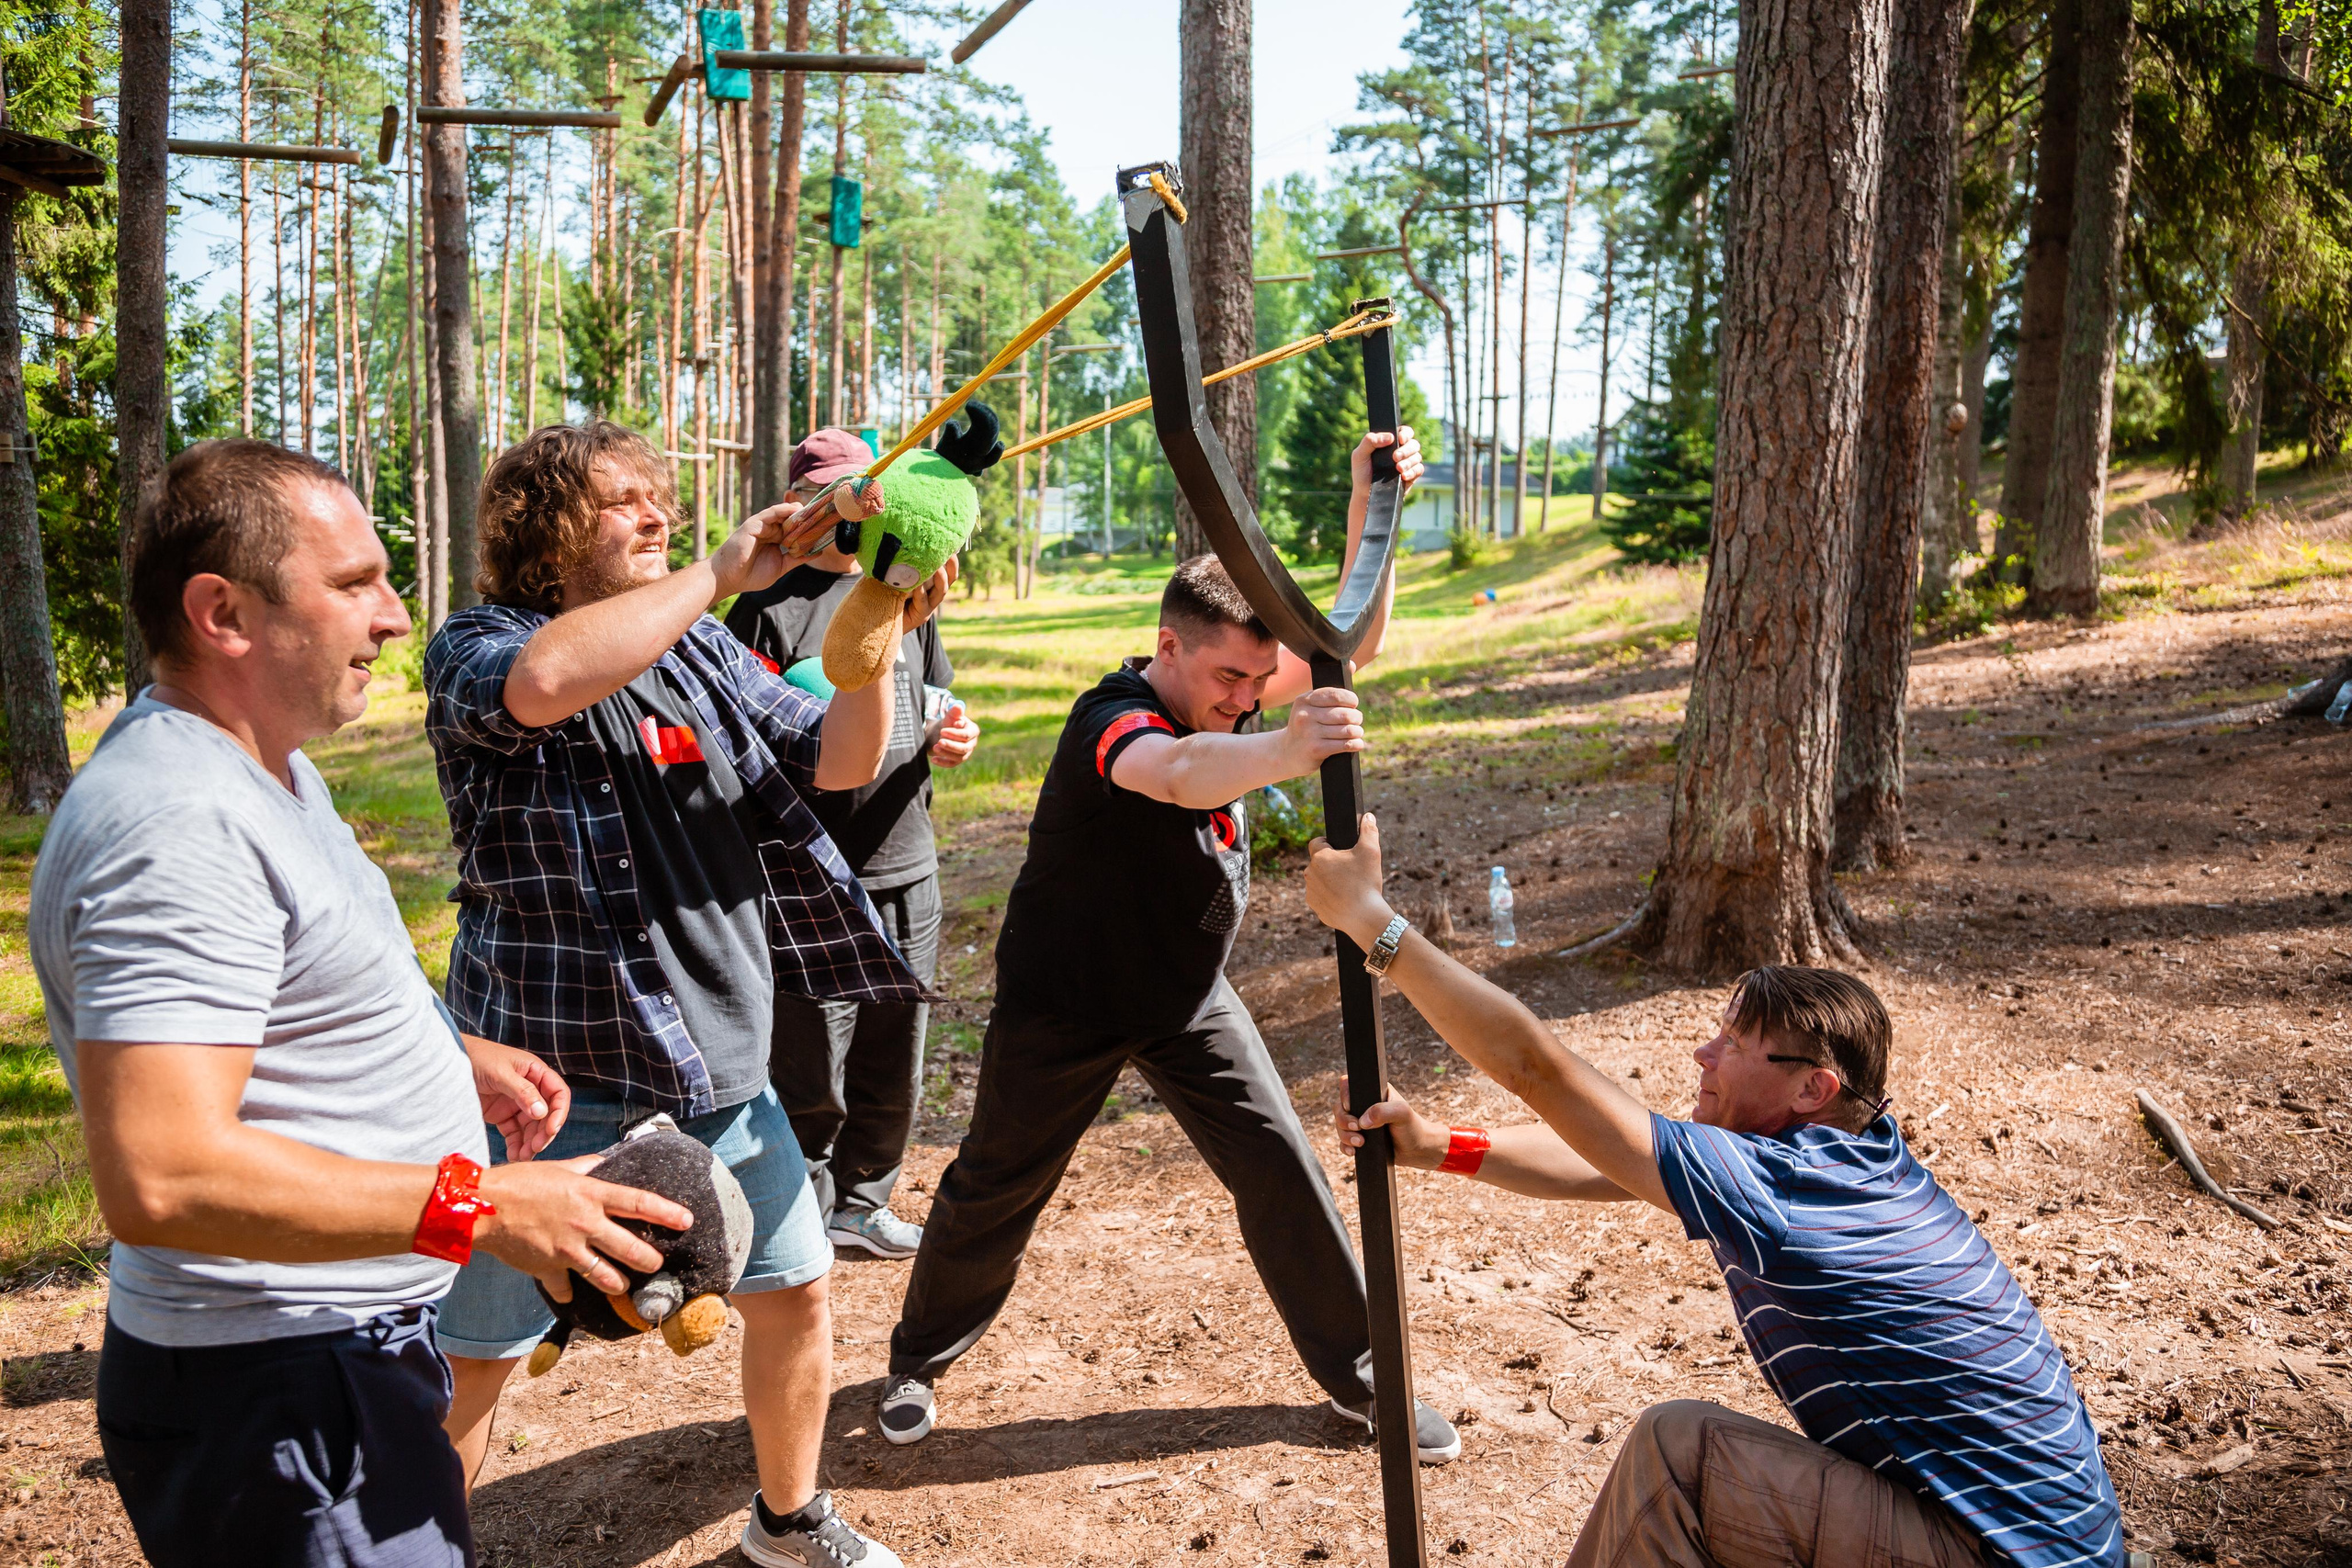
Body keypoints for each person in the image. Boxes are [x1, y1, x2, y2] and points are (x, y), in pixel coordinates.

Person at [30, 440, 693, 1568]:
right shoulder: (178, 824)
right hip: (279, 1388)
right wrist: (481, 1209)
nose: (393, 618)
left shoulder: (265, 768)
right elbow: (164, 1176)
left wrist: (448, 1052)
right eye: (353, 585)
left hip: (328, 1360)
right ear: (223, 613)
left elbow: (274, 999)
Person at [1304, 818, 2132, 1568]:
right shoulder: (1847, 1161)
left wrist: (1375, 924)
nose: (1703, 1054)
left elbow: (1535, 1067)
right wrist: (1441, 1146)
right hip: (2035, 1540)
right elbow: (1611, 1164)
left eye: (1734, 1043)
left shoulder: (1789, 1185)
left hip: (2003, 1553)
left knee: (1682, 1455)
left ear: (1812, 1087)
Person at [879, 427, 1463, 1466]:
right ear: (1169, 645)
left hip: (1185, 996)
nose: (1245, 697)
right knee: (997, 1183)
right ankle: (918, 1359)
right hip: (1063, 1001)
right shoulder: (1112, 717)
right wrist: (1289, 743)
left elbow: (1349, 646)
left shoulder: (1234, 689)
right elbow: (1181, 772)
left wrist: (1372, 512)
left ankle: (1366, 1378)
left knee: (1280, 1166)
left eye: (1259, 680)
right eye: (1229, 676)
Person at [424, 421, 947, 1568]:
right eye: (621, 502)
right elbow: (543, 684)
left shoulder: (700, 651)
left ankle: (788, 1520)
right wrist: (719, 571)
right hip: (542, 1096)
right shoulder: (476, 643)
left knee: (796, 1292)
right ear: (546, 532)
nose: (655, 515)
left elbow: (841, 758)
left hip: (718, 1068)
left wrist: (882, 624)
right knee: (472, 1359)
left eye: (657, 497)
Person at [724, 425, 981, 1261]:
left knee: (895, 1052)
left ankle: (864, 1204)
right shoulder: (763, 607)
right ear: (802, 504)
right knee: (810, 1063)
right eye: (837, 495)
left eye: (866, 491)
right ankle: (801, 1211)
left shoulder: (901, 585)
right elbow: (744, 739)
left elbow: (931, 692)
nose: (857, 511)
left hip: (908, 859)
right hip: (811, 875)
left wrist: (953, 727)